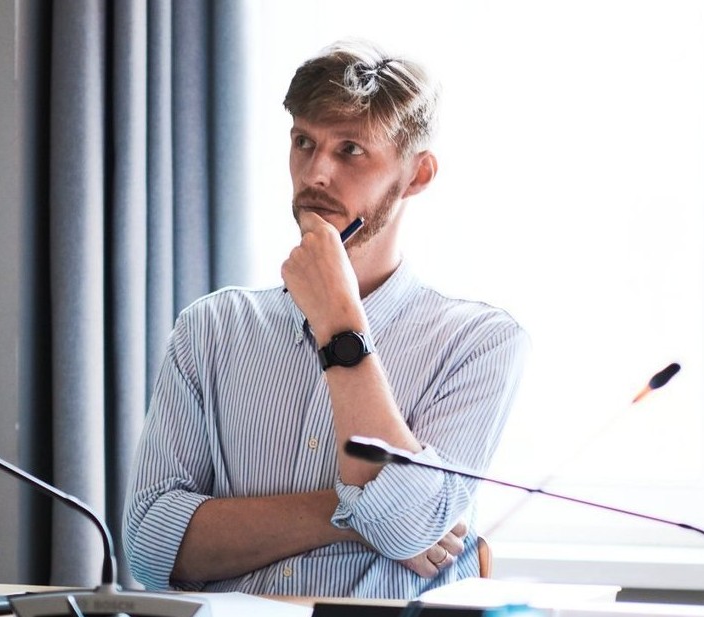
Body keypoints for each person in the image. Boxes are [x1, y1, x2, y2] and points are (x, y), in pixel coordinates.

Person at [122, 38, 529, 599]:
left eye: (350, 150)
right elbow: (151, 546)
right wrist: (354, 510)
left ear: (417, 176)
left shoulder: (479, 342)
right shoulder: (210, 328)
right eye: (303, 142)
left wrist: (340, 324)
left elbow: (408, 527)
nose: (315, 173)